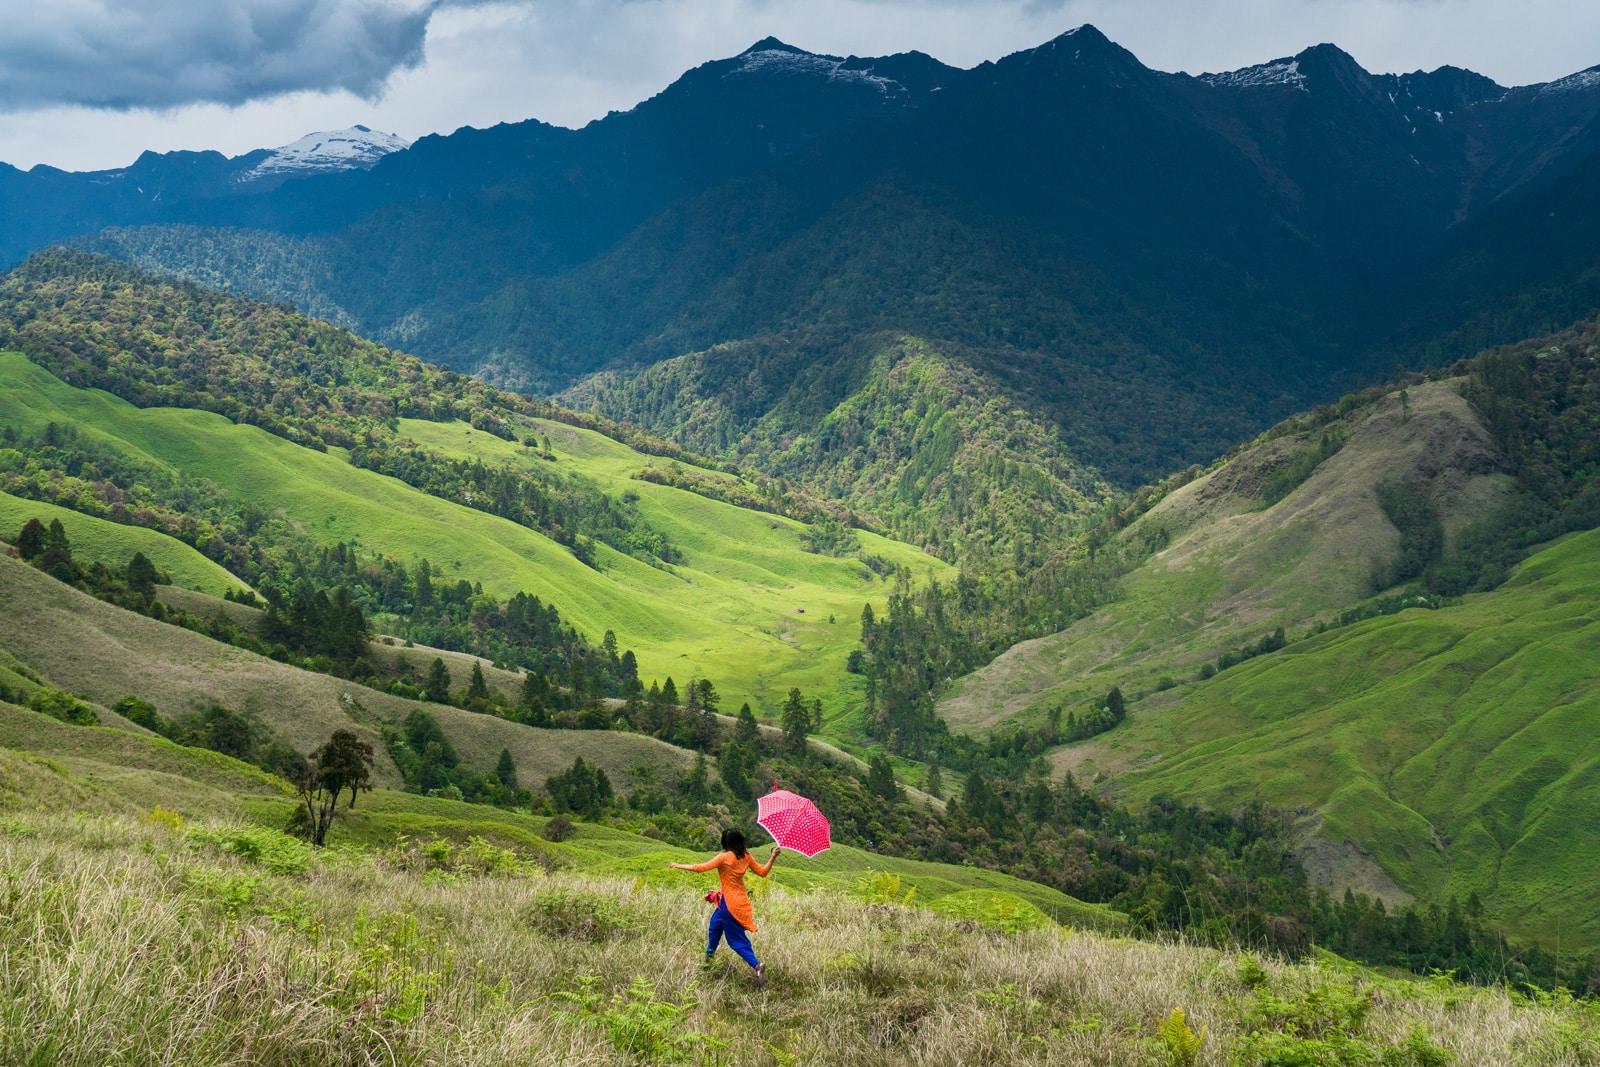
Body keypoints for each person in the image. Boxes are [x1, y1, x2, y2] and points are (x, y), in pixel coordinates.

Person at [669, 829, 780, 983]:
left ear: (725, 843)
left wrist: (678, 865)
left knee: (735, 940)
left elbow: (700, 868)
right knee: (714, 927)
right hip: (736, 901)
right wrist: (773, 857)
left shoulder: (724, 857)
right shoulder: (746, 857)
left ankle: (757, 965)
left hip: (730, 905)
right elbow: (762, 873)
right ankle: (708, 961)